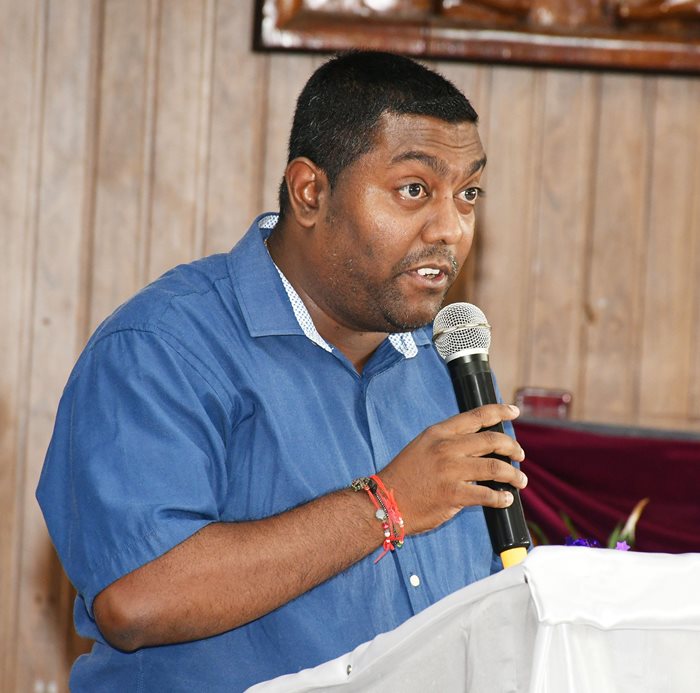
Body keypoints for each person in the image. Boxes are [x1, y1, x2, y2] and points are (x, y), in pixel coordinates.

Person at [37, 50, 527, 691]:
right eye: (414, 190)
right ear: (310, 192)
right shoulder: (163, 346)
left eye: (468, 194)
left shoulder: (450, 368)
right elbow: (137, 598)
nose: (450, 229)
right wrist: (387, 505)